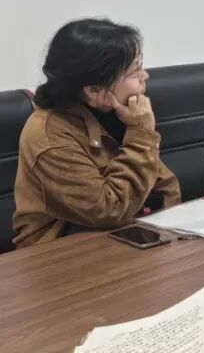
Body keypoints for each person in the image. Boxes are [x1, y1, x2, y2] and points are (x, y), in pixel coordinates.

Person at [14, 19, 181, 248]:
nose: (145, 76)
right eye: (134, 71)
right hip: (60, 254)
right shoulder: (48, 136)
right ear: (94, 90)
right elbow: (109, 210)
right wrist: (141, 134)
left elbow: (165, 188)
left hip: (125, 239)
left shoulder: (115, 112)